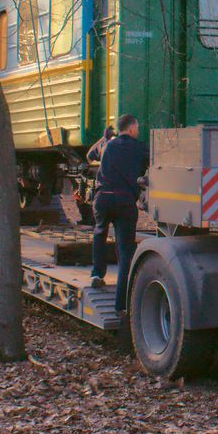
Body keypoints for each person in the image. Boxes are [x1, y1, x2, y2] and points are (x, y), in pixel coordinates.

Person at [90, 114, 148, 315]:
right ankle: (121, 304)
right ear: (131, 129)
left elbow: (90, 156)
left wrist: (104, 138)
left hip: (103, 197)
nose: (138, 131)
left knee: (99, 232)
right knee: (125, 251)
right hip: (124, 201)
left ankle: (97, 273)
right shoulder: (140, 148)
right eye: (137, 128)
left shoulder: (108, 145)